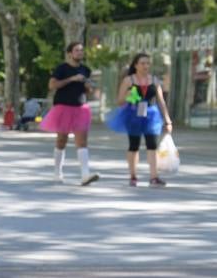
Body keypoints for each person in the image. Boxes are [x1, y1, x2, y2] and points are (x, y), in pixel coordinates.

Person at [107, 52, 172, 186]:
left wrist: (167, 120)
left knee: (152, 145)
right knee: (134, 145)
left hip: (151, 115)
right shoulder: (128, 80)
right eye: (142, 63)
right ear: (136, 65)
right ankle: (133, 175)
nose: (145, 66)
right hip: (133, 114)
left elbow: (161, 101)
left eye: (147, 63)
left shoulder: (154, 80)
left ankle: (154, 177)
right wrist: (128, 96)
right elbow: (119, 101)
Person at [40, 41, 100, 185]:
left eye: (81, 50)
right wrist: (72, 79)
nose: (80, 53)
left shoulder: (86, 70)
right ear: (69, 53)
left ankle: (85, 174)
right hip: (63, 107)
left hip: (81, 108)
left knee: (82, 142)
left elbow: (88, 90)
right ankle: (57, 173)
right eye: (77, 50)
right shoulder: (62, 68)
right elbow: (52, 85)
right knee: (61, 140)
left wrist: (88, 87)